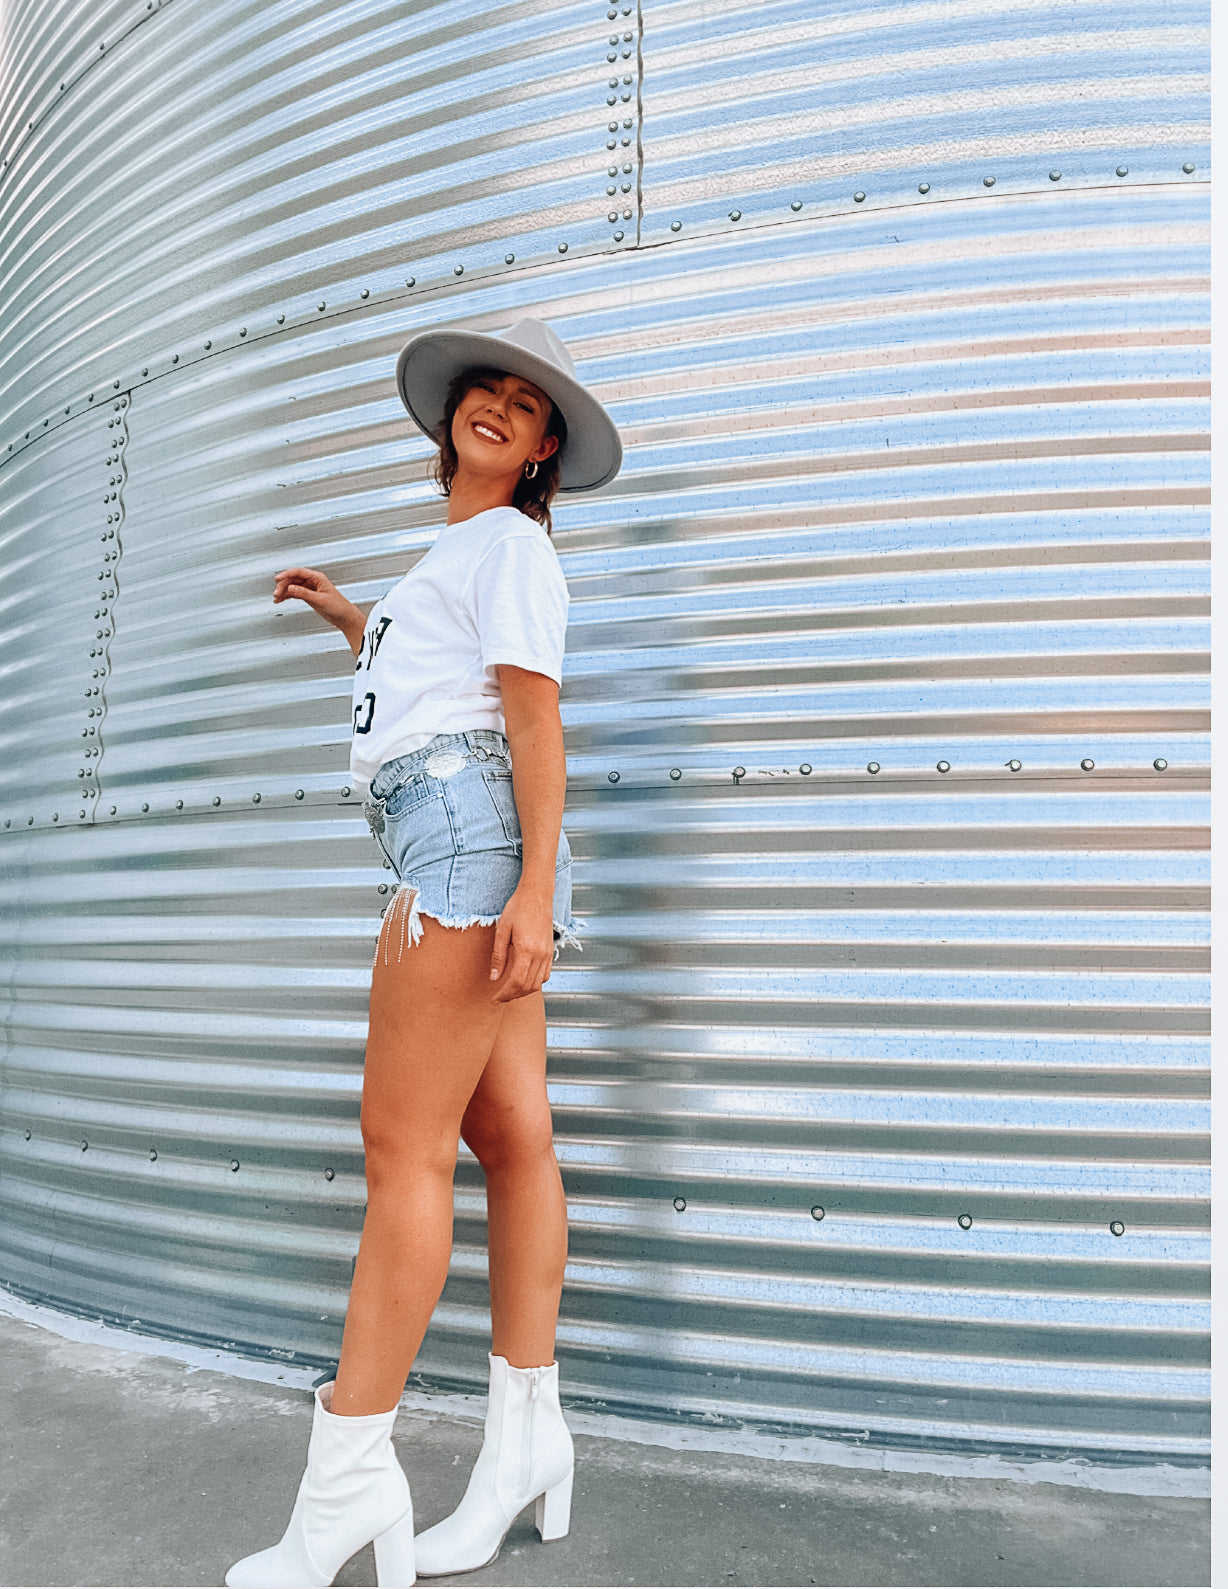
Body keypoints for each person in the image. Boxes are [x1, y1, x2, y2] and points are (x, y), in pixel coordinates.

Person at [224, 318, 622, 1588]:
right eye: (484, 391)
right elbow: (428, 688)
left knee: (401, 1148)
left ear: (544, 445)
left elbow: (529, 714)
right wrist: (358, 620)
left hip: (460, 852)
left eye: (526, 403)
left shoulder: (508, 542)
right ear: (451, 417)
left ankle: (343, 1485)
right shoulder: (454, 553)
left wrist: (533, 890)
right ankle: (524, 1442)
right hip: (453, 838)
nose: (499, 407)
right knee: (512, 1139)